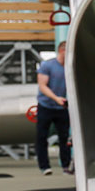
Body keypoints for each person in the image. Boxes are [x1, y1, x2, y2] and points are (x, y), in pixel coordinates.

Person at [35, 43, 73, 175]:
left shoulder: (70, 67)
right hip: (45, 106)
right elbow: (42, 86)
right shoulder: (48, 66)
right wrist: (56, 98)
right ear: (62, 51)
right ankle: (44, 166)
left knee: (65, 137)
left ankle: (66, 166)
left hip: (61, 106)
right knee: (42, 137)